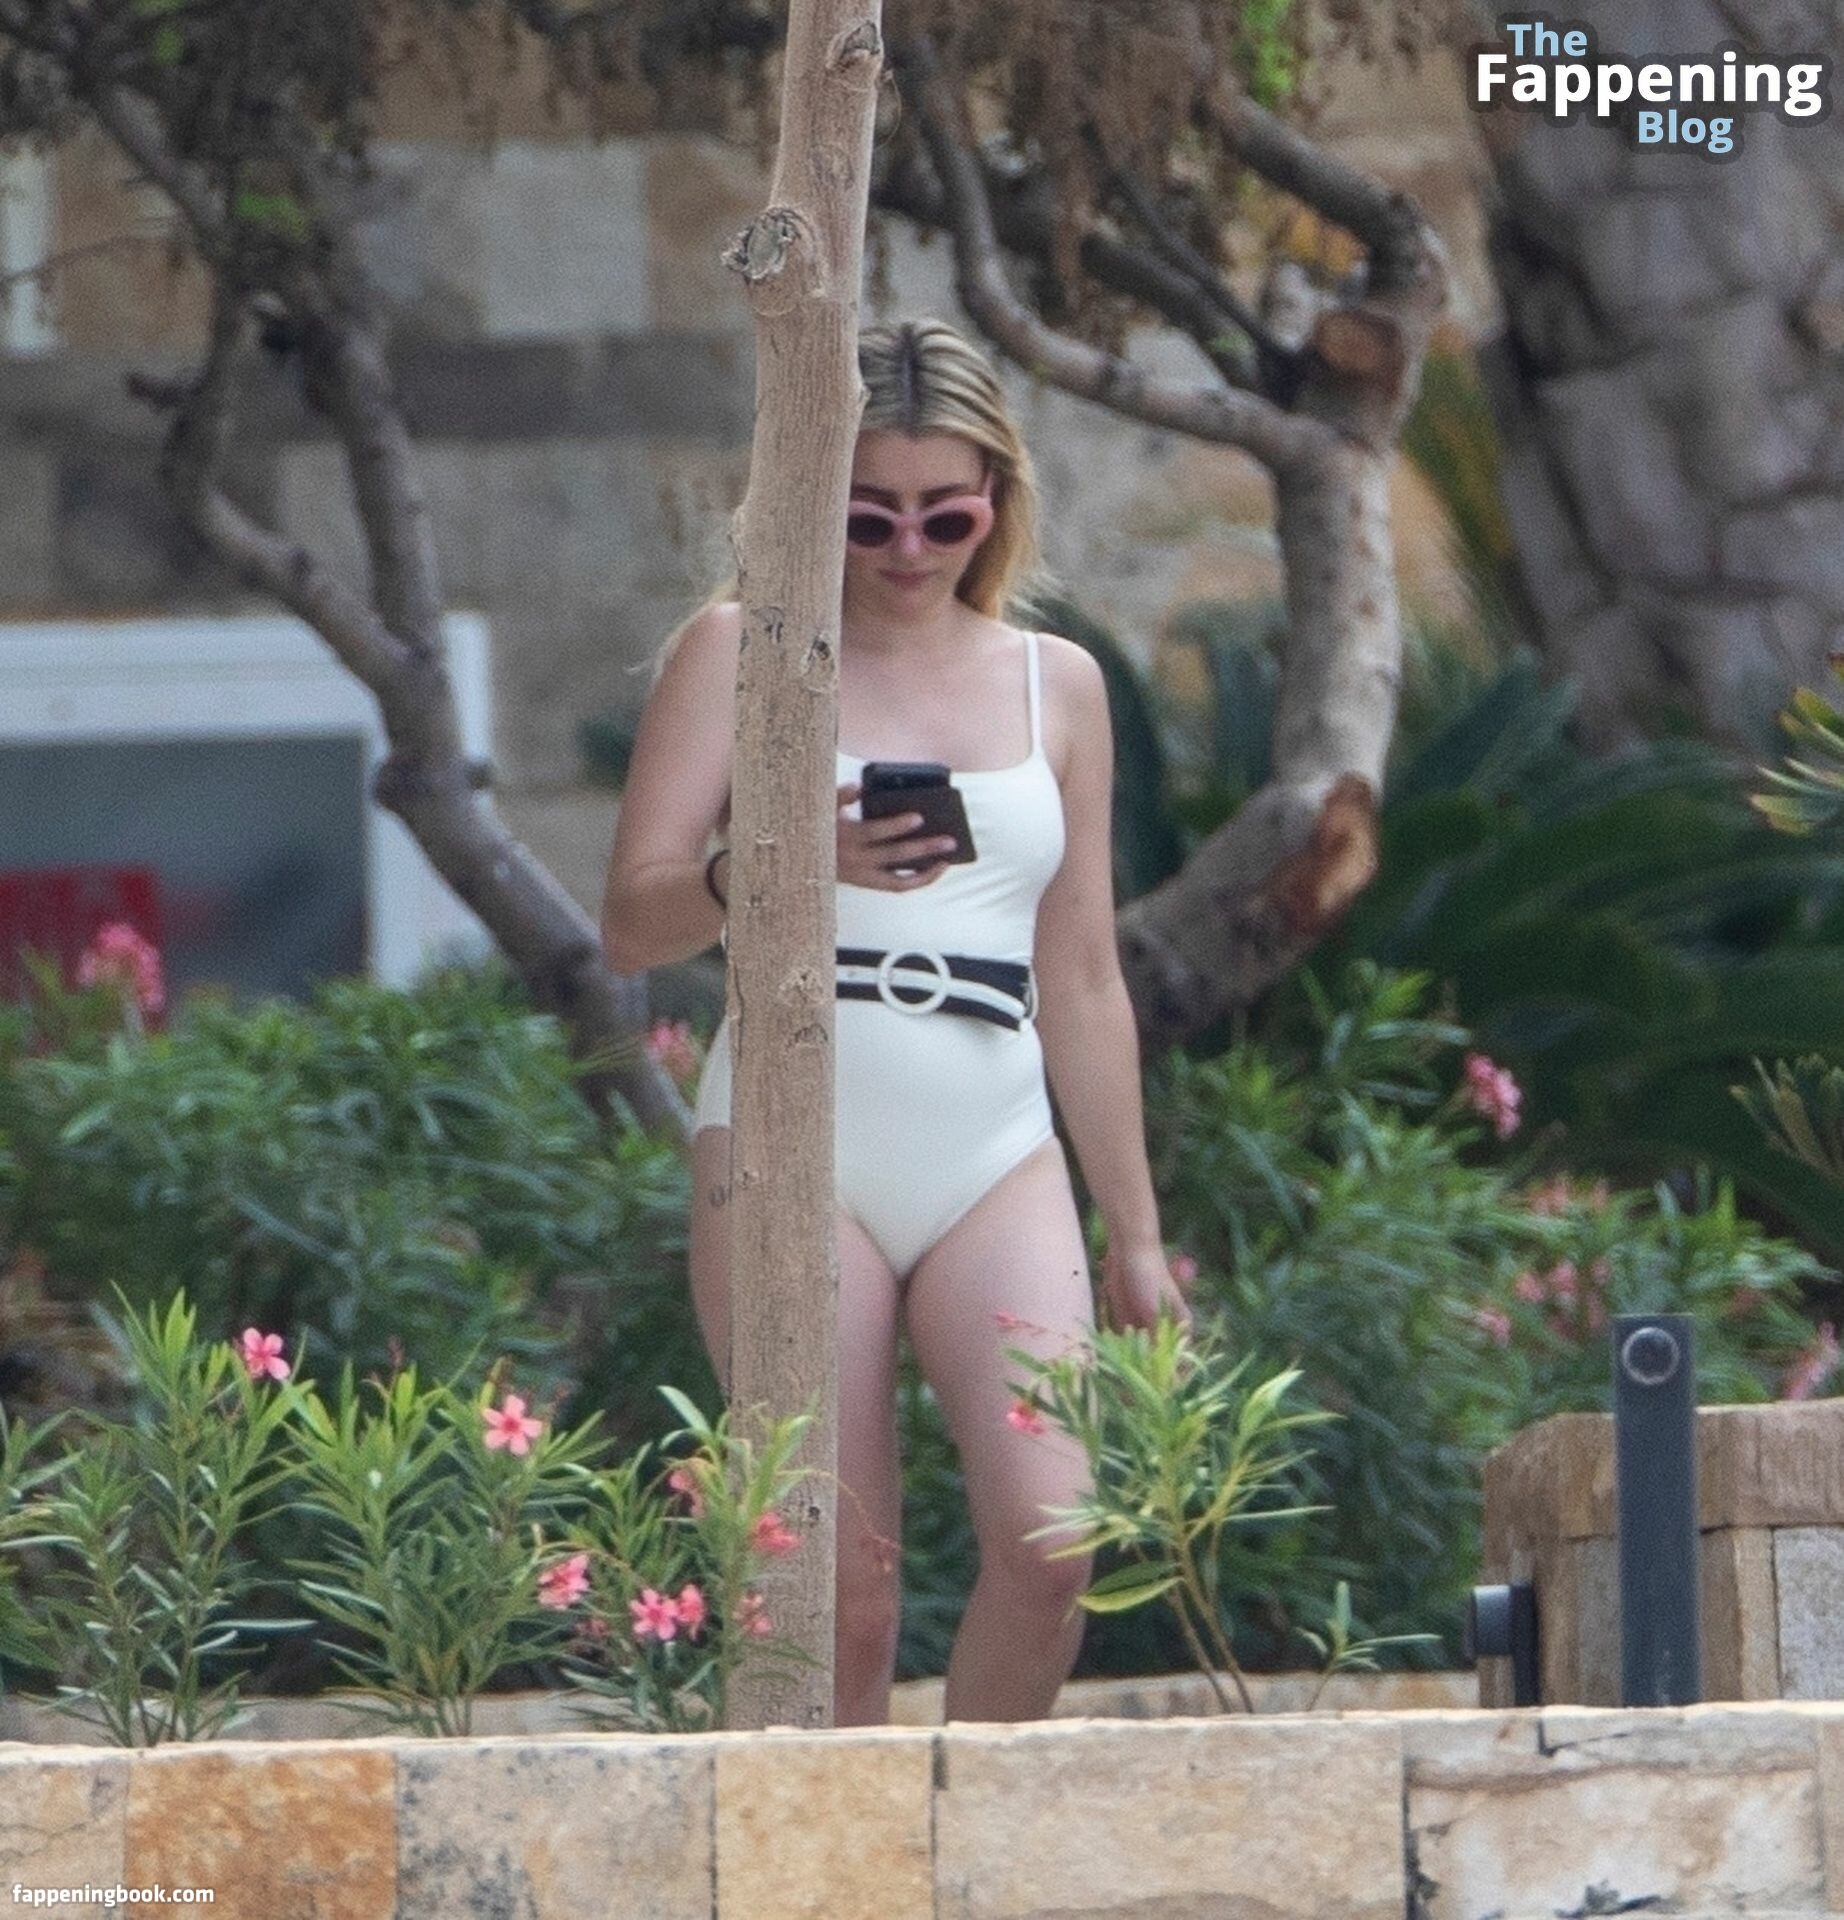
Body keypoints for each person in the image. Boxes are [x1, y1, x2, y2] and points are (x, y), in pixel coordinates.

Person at [601, 316, 1191, 1727]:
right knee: (838, 1590)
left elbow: (1083, 974)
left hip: (996, 1130)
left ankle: (957, 1832)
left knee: (1056, 1546)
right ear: (812, 500)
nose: (909, 548)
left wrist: (1138, 1233)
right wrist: (785, 863)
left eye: (946, 514)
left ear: (997, 498)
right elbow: (631, 919)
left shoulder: (1060, 684)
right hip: (796, 1123)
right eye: (869, 517)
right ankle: (827, 1846)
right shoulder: (743, 651)